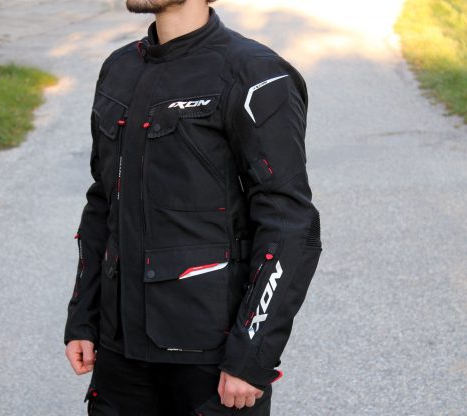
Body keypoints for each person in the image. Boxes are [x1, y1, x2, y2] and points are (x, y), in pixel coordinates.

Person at [64, 0, 322, 414]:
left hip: (210, 363)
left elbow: (290, 225)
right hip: (119, 355)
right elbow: (103, 201)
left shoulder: (255, 75)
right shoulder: (119, 70)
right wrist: (83, 316)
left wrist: (251, 354)